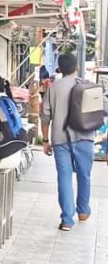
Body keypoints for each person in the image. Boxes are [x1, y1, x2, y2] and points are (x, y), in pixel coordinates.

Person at [41, 54, 102, 231]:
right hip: (85, 137)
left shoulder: (53, 88)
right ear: (76, 67)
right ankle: (83, 211)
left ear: (59, 68)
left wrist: (45, 140)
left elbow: (45, 116)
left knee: (64, 177)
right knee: (84, 175)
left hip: (61, 140)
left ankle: (67, 219)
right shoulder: (87, 85)